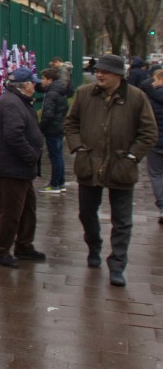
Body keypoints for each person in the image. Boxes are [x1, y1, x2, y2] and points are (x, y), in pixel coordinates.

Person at [64, 54, 157, 286]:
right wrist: (78, 148)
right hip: (89, 164)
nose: (99, 75)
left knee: (122, 220)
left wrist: (133, 157)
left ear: (119, 75)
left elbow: (149, 132)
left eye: (105, 71)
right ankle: (93, 246)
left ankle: (117, 264)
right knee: (86, 213)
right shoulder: (85, 93)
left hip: (121, 166)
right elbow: (70, 123)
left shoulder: (136, 97)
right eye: (98, 71)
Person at [0, 67, 46, 268]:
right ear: (24, 86)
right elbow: (14, 135)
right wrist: (31, 155)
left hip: (21, 169)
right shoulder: (12, 103)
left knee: (28, 210)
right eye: (33, 82)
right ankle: (2, 250)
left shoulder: (18, 101)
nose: (35, 85)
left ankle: (24, 245)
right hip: (13, 168)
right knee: (11, 213)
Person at [38, 67, 69, 194]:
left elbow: (48, 114)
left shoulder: (51, 93)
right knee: (58, 156)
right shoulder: (60, 91)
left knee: (55, 156)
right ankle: (60, 182)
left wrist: (41, 128)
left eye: (43, 79)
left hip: (52, 129)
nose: (41, 81)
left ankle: (55, 184)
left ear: (49, 80)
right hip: (59, 126)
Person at [140, 69, 163, 224]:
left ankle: (162, 207)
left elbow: (144, 84)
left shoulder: (151, 99)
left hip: (156, 141)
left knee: (156, 175)